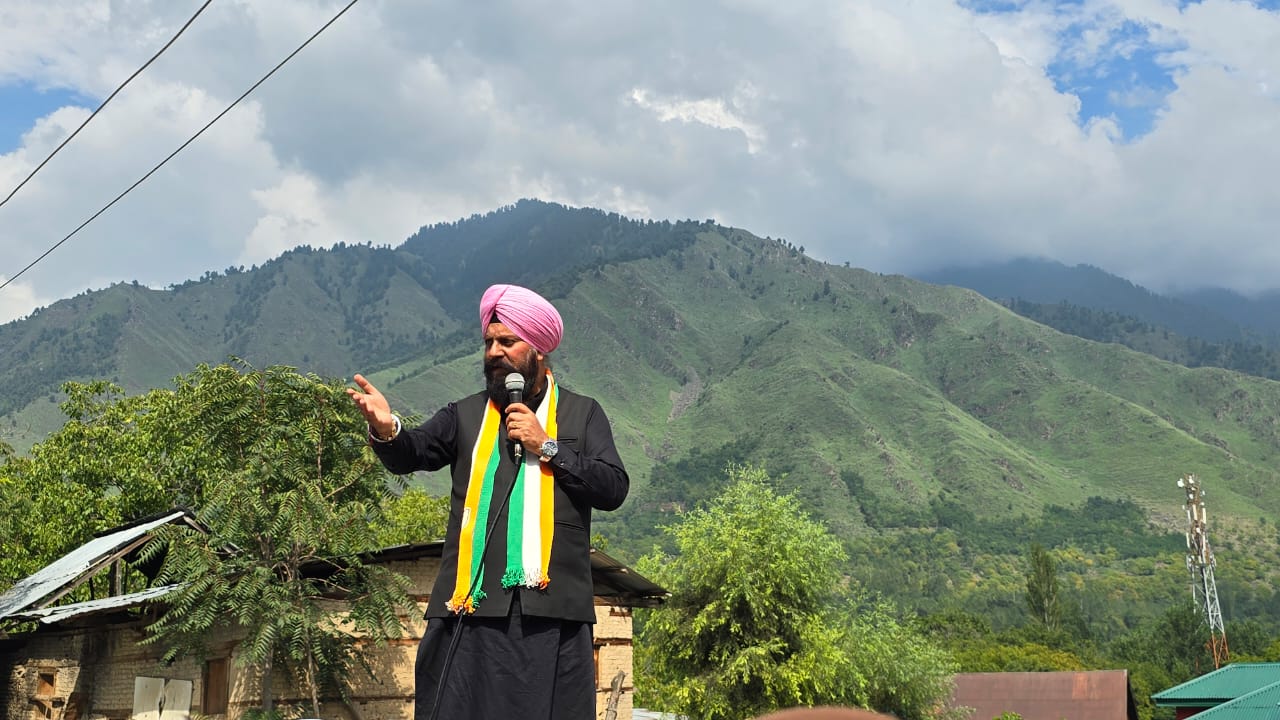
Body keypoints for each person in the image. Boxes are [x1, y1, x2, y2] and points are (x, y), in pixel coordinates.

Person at [346, 283, 630, 720]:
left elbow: (613, 487)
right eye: (489, 342)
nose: (494, 351)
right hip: (470, 613)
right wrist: (388, 430)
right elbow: (415, 451)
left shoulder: (581, 413)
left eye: (507, 342)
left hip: (552, 617)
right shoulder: (465, 414)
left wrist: (548, 446)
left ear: (538, 350)